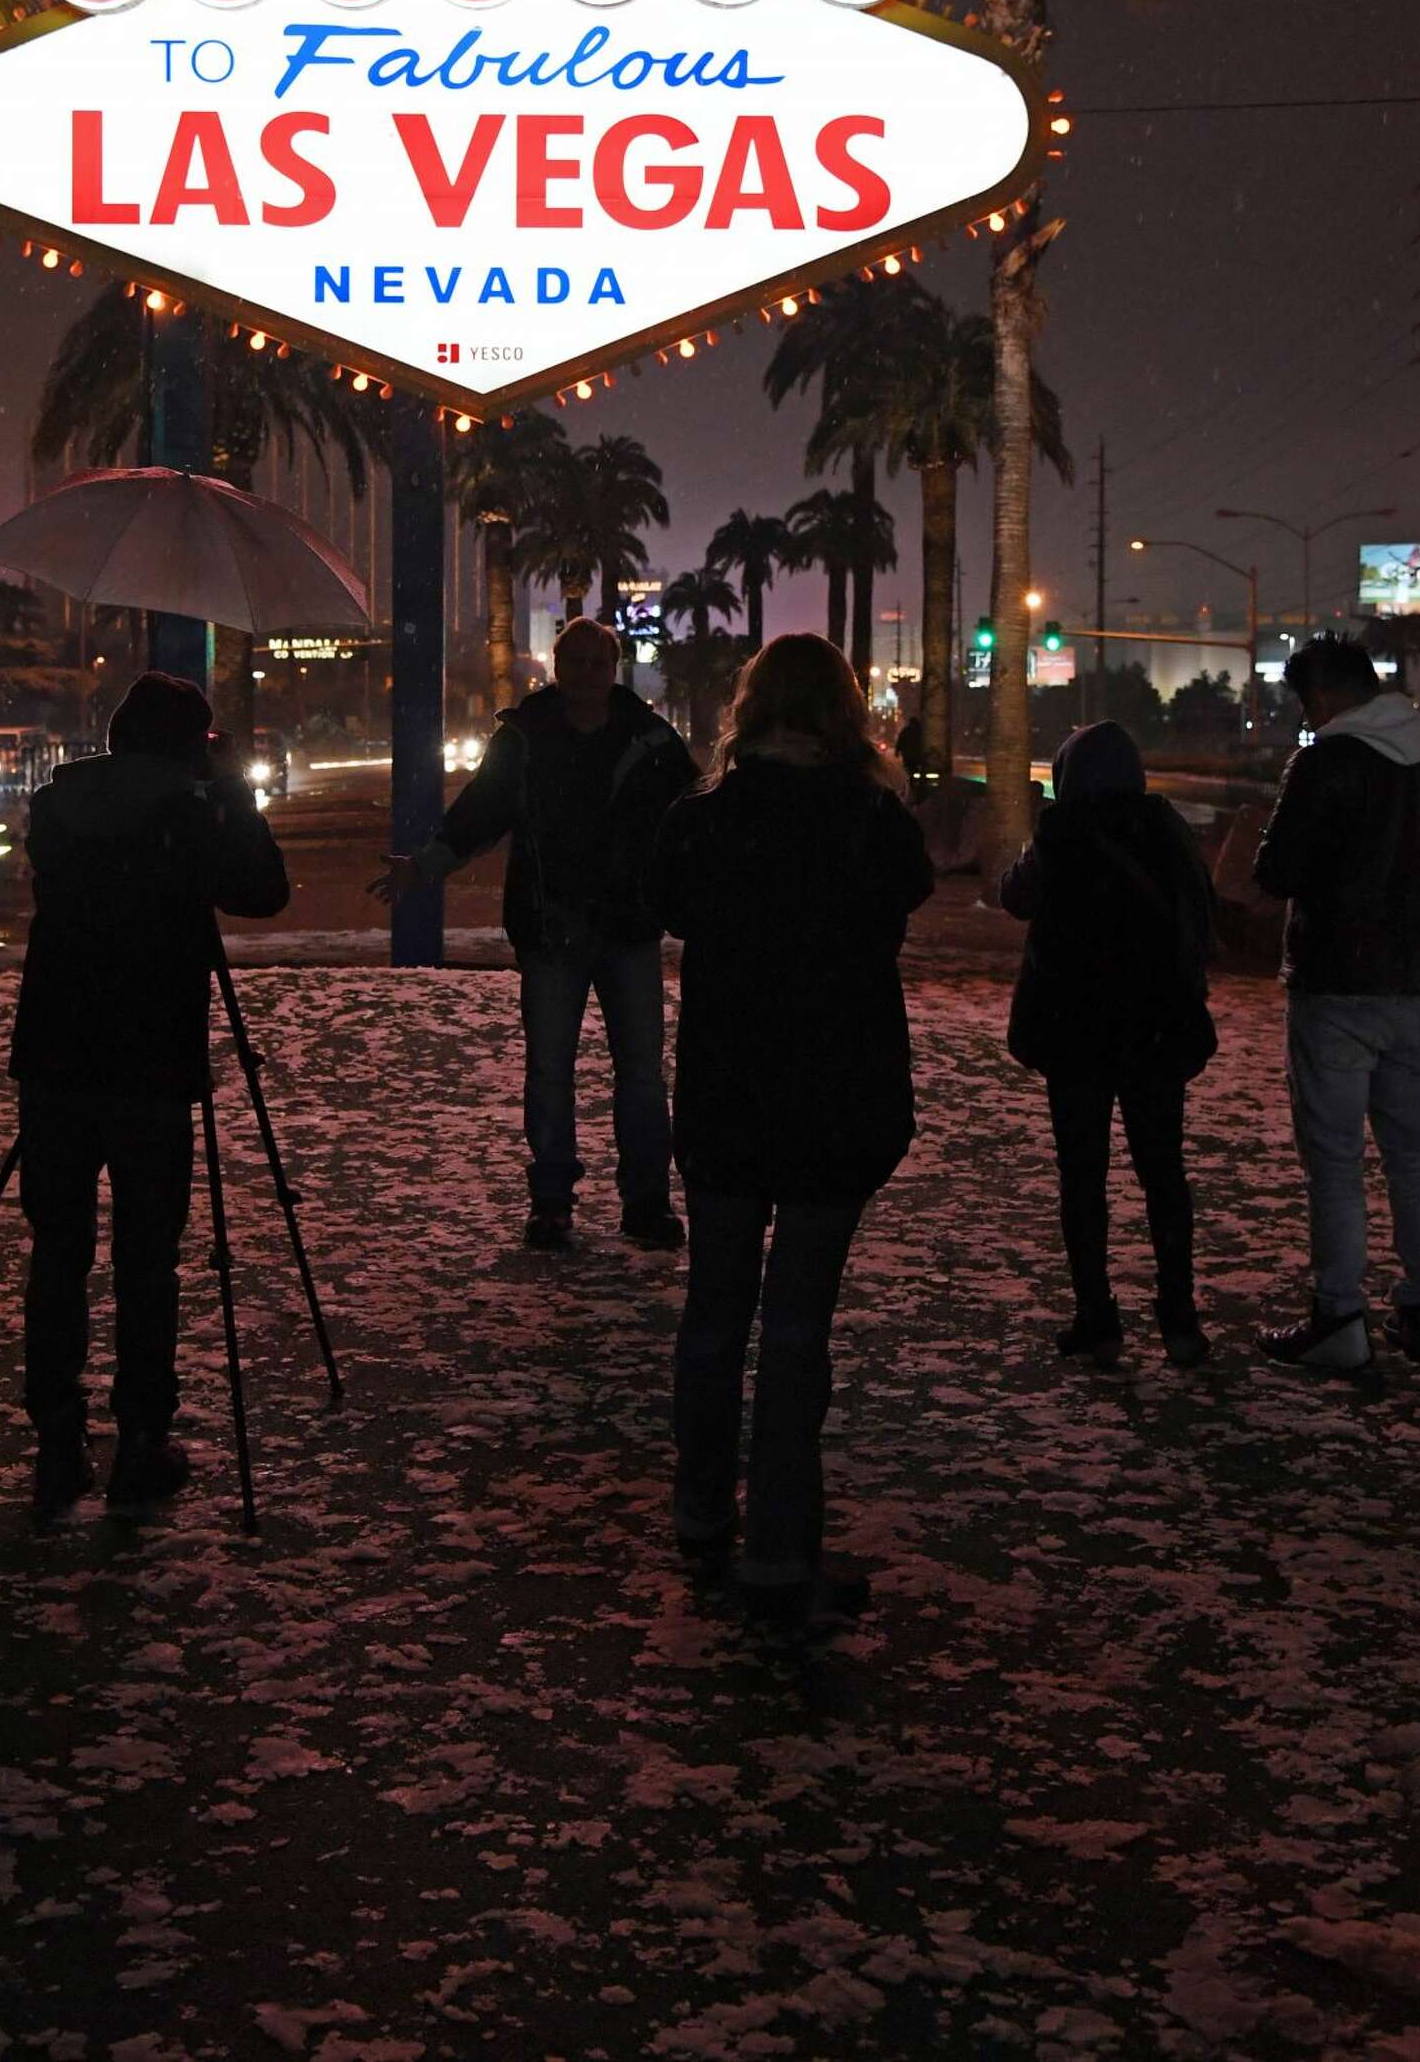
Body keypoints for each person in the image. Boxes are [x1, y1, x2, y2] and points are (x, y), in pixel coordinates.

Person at [649, 633, 934, 1629]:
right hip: (834, 1097)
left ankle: (698, 1506)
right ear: (846, 712)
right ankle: (776, 1548)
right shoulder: (872, 821)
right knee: (798, 1327)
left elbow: (668, 905)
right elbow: (910, 893)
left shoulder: (704, 821)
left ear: (750, 708)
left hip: (728, 1094)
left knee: (714, 1312)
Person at [9, 671, 290, 1515]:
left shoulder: (56, 806)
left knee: (57, 1252)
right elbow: (263, 890)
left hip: (55, 1058)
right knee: (146, 1260)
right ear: (187, 744)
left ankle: (57, 1441)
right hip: (152, 1063)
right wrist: (230, 791)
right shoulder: (187, 810)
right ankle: (141, 1443)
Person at [375, 616, 696, 1251]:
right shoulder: (541, 739)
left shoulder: (648, 740)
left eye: (594, 664)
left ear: (613, 668)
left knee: (633, 1072)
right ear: (558, 667)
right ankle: (559, 1200)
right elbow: (479, 812)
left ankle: (642, 1202)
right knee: (560, 1070)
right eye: (574, 663)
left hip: (622, 929)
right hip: (557, 930)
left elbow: (688, 822)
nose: (584, 676)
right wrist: (426, 866)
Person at [1252, 634, 1420, 1370]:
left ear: (1321, 696)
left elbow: (1275, 869)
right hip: (1419, 987)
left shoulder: (1324, 765)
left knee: (1337, 1158)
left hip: (1336, 987)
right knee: (1413, 1150)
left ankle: (1339, 1314)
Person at [999, 721, 1218, 1367]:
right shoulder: (1164, 830)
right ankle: (1179, 1314)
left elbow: (1016, 896)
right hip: (1155, 1024)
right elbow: (1199, 910)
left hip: (1075, 1029)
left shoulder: (1060, 833)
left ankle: (1097, 1314)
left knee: (1083, 1175)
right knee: (1163, 1173)